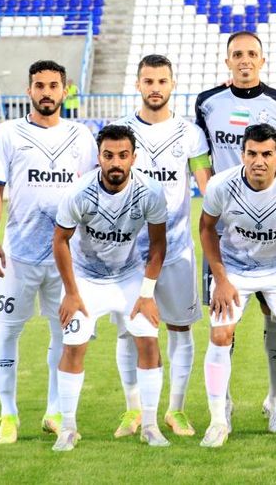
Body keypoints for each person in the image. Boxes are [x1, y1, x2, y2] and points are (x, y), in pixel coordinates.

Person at [194, 30, 276, 433]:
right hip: (225, 226)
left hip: (270, 227)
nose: (244, 60)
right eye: (237, 54)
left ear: (262, 60)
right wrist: (211, 191)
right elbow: (200, 153)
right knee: (223, 320)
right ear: (227, 61)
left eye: (251, 54)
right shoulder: (207, 102)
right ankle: (222, 403)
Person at [0, 60, 98, 445]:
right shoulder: (8, 133)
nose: (46, 92)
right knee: (7, 330)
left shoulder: (81, 136)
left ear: (65, 91)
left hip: (67, 257)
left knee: (65, 332)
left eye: (53, 85)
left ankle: (54, 411)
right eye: (39, 85)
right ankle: (8, 414)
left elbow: (91, 192)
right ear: (28, 90)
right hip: (18, 253)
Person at [197, 124, 276, 448]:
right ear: (242, 155)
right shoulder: (221, 185)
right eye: (251, 153)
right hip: (234, 267)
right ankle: (217, 422)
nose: (258, 161)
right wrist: (220, 279)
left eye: (267, 154)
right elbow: (207, 229)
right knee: (220, 334)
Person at [51, 124, 170, 452]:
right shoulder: (79, 192)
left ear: (134, 157)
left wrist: (147, 293)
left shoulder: (150, 191)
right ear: (99, 157)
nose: (115, 162)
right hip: (85, 278)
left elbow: (158, 244)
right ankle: (68, 428)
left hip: (128, 276)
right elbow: (60, 241)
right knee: (73, 347)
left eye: (122, 155)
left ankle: (150, 425)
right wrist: (71, 293)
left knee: (148, 341)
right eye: (108, 155)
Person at [111, 55, 212, 439]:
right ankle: (133, 409)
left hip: (176, 249)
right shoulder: (121, 132)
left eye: (162, 81)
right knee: (129, 331)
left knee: (180, 328)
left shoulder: (190, 134)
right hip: (128, 254)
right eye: (148, 81)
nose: (155, 88)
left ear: (172, 85)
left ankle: (176, 409)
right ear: (138, 84)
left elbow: (206, 185)